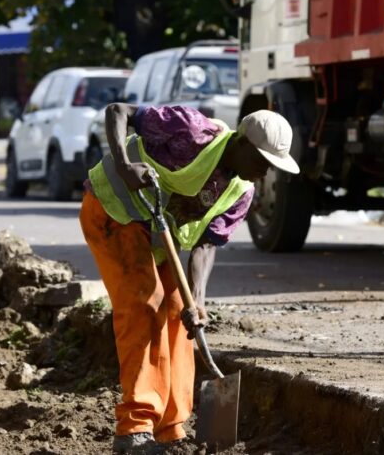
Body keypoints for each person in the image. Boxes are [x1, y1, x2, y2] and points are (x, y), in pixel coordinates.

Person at [80, 104, 299, 452]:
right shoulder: (192, 130)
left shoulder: (240, 193)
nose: (264, 174)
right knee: (145, 302)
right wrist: (124, 166)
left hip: (155, 235)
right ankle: (134, 428)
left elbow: (206, 245)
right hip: (113, 211)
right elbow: (118, 111)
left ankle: (170, 427)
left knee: (179, 313)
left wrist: (197, 299)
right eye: (262, 162)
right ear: (241, 143)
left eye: (271, 168)